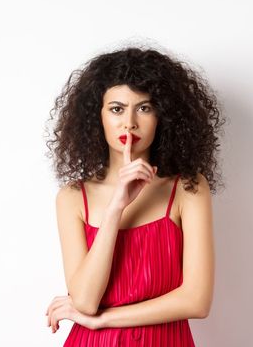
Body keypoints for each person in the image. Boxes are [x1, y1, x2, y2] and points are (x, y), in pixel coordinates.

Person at [43, 45, 225, 346]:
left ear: (163, 115)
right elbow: (85, 301)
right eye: (117, 108)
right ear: (96, 116)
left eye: (144, 107)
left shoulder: (188, 188)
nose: (129, 122)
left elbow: (197, 300)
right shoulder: (73, 197)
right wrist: (116, 207)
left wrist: (104, 319)